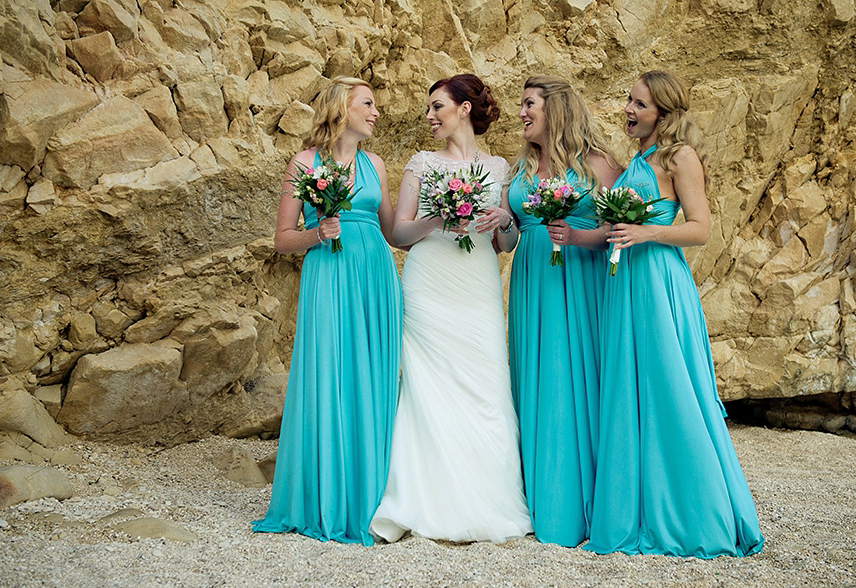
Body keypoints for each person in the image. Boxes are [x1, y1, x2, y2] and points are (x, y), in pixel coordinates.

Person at [585, 70, 764, 557]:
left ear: (663, 112)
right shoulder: (636, 160)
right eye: (628, 100)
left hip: (659, 281)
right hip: (624, 285)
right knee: (630, 390)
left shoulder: (678, 157)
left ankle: (696, 514)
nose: (628, 109)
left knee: (670, 388)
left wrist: (646, 233)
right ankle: (635, 508)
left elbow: (701, 229)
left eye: (639, 104)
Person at [370, 74, 532, 543]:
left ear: (464, 109)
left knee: (486, 381)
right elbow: (398, 235)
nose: (430, 116)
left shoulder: (499, 167)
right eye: (428, 108)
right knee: (427, 385)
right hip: (428, 282)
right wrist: (440, 215)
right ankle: (424, 497)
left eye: (437, 106)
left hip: (477, 283)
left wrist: (505, 219)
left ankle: (487, 499)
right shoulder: (422, 164)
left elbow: (505, 244)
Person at [253, 76, 402, 546]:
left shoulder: (375, 164)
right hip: (328, 275)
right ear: (341, 109)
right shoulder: (304, 162)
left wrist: (450, 217)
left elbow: (394, 231)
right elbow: (281, 240)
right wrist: (318, 233)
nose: (376, 112)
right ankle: (326, 495)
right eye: (368, 104)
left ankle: (374, 497)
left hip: (376, 276)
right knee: (329, 372)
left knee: (374, 377)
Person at [507, 75, 619, 547]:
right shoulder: (522, 166)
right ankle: (537, 499)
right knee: (534, 379)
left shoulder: (599, 166)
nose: (522, 113)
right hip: (531, 278)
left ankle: (578, 504)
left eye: (529, 103)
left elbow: (617, 232)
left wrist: (576, 237)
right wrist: (500, 225)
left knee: (573, 378)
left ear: (556, 109)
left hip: (579, 280)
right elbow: (511, 231)